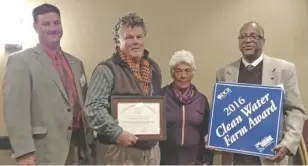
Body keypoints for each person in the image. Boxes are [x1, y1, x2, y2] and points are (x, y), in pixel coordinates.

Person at [3, 3, 93, 165]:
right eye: (46, 24)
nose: (53, 28)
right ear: (35, 27)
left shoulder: (76, 63)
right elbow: (15, 110)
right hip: (43, 151)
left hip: (77, 147)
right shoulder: (21, 61)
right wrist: (23, 152)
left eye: (56, 23)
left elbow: (83, 103)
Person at [210, 21, 306, 165]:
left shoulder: (284, 70)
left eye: (254, 36)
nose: (248, 40)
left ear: (263, 40)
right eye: (243, 37)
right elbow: (221, 113)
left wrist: (288, 143)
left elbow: (295, 111)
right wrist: (213, 136)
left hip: (270, 156)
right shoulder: (224, 72)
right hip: (234, 157)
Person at [83, 13, 162, 165]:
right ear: (118, 41)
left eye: (139, 37)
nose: (135, 42)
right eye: (129, 37)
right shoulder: (106, 70)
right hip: (117, 151)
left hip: (150, 151)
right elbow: (93, 108)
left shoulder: (153, 68)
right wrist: (117, 133)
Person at [159, 50, 213, 165]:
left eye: (187, 71)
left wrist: (207, 160)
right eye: (178, 71)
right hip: (165, 158)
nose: (183, 76)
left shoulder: (201, 100)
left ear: (193, 73)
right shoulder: (161, 96)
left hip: (194, 159)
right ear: (172, 73)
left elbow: (207, 132)